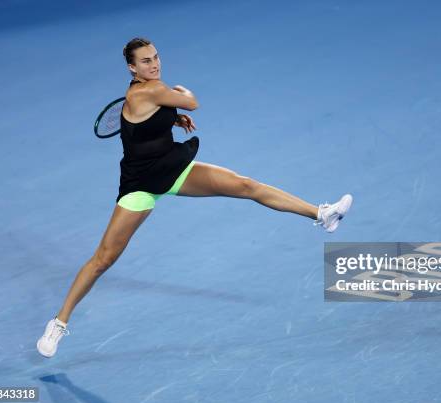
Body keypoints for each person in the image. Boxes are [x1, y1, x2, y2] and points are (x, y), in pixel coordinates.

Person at [37, 37, 352, 358]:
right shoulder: (151, 90)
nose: (154, 64)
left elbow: (142, 127)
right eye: (145, 61)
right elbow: (192, 101)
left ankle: (321, 214)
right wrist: (184, 97)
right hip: (141, 186)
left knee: (245, 185)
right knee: (103, 259)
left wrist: (172, 118)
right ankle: (58, 323)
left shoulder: (147, 93)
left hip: (173, 169)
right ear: (131, 68)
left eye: (156, 57)